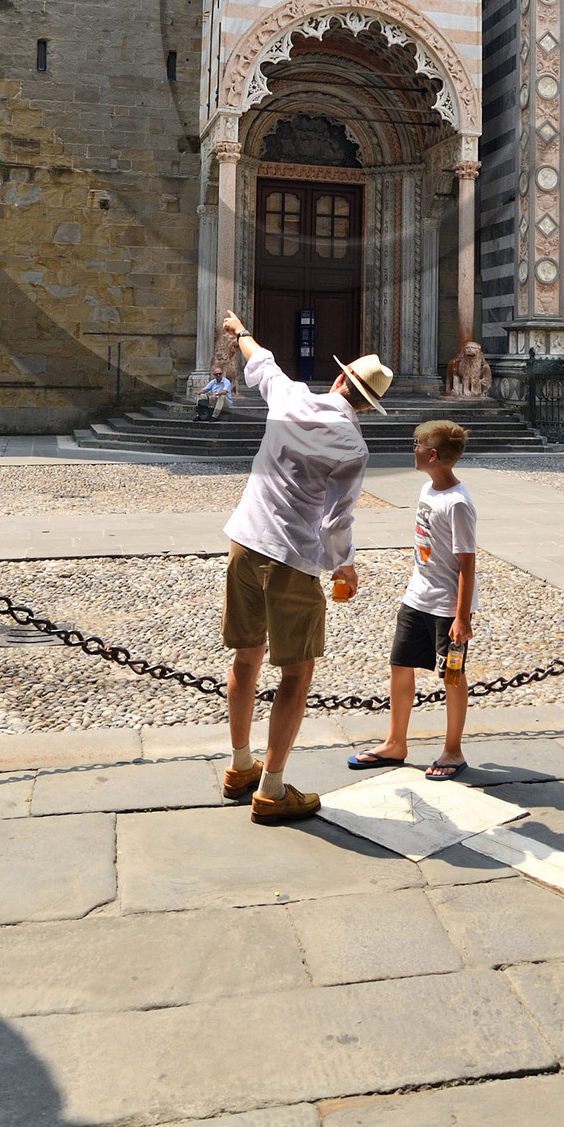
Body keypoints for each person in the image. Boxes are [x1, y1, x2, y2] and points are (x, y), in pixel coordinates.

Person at [218, 309, 393, 823]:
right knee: (296, 673)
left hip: (244, 541)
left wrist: (240, 330)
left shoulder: (292, 396)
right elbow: (338, 521)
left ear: (339, 378)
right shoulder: (353, 446)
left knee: (246, 660)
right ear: (368, 403)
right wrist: (346, 569)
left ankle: (239, 765)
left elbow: (262, 362)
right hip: (292, 557)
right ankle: (271, 789)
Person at [348, 417, 475, 780]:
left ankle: (453, 749)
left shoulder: (458, 503)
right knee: (400, 666)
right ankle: (395, 742)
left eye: (416, 445)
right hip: (417, 597)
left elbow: (468, 563)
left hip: (447, 606)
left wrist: (461, 617)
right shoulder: (426, 490)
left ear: (432, 455)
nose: (413, 450)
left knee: (452, 675)